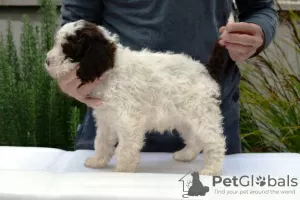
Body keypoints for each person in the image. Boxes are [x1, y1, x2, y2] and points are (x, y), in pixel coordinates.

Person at [58, 0, 278, 155]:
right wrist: (68, 73)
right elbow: (76, 20)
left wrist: (258, 32)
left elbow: (261, 8)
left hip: (206, 104)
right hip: (115, 113)